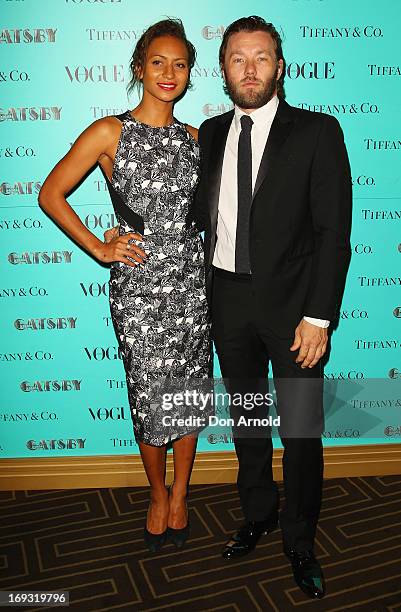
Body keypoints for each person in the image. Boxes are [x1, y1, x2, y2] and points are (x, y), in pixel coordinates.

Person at [191, 16, 352, 599]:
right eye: (238, 58)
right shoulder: (207, 133)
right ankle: (257, 512)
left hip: (294, 313)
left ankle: (300, 538)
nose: (251, 68)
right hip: (227, 301)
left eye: (262, 57)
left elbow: (334, 233)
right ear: (224, 69)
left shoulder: (316, 132)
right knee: (249, 421)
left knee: (301, 430)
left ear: (280, 66)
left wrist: (319, 315)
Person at [39, 18, 213, 553]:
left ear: (189, 75)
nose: (168, 72)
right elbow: (51, 194)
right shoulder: (109, 132)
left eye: (179, 64)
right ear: (139, 69)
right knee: (148, 397)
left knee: (188, 395)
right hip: (137, 291)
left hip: (194, 286)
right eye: (157, 62)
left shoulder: (197, 138)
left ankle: (182, 492)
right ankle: (157, 494)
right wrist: (100, 246)